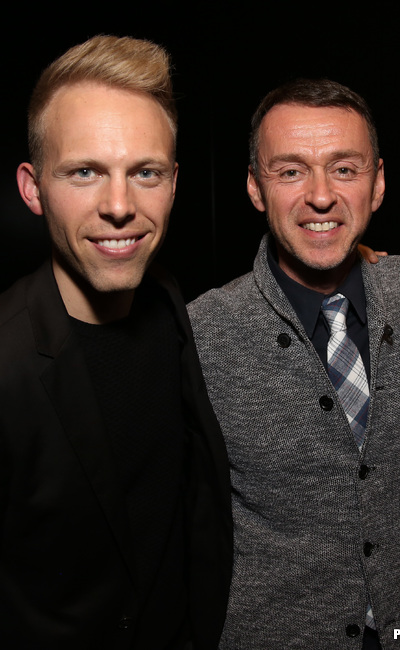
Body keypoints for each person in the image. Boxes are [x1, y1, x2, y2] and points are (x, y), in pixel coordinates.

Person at [188, 78, 400, 649]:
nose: (320, 195)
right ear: (255, 188)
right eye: (290, 171)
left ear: (378, 183)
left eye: (344, 168)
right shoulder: (202, 333)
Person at [0, 35, 232, 649]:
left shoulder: (169, 303)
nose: (121, 207)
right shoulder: (7, 362)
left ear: (175, 184)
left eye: (146, 173)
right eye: (85, 172)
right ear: (32, 188)